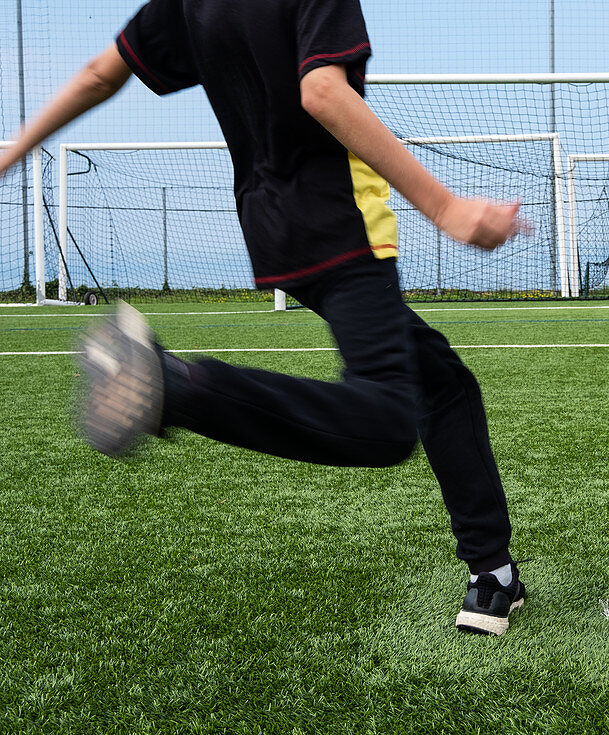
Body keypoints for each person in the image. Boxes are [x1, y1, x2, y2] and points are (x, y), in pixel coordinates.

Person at [0, 0, 527, 636]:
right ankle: (171, 386)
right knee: (387, 421)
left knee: (442, 381)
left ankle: (492, 574)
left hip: (272, 225)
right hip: (341, 220)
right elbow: (323, 91)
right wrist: (447, 209)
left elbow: (97, 73)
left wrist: (10, 154)